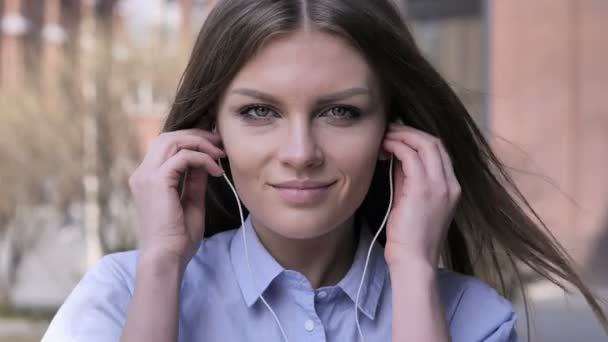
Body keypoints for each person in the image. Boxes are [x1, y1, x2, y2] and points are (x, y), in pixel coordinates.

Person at [42, 1, 608, 341]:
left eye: (340, 111)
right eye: (259, 111)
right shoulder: (118, 297)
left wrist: (413, 270)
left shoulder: (472, 319)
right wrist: (162, 266)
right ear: (210, 130)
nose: (300, 151)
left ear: (396, 131)